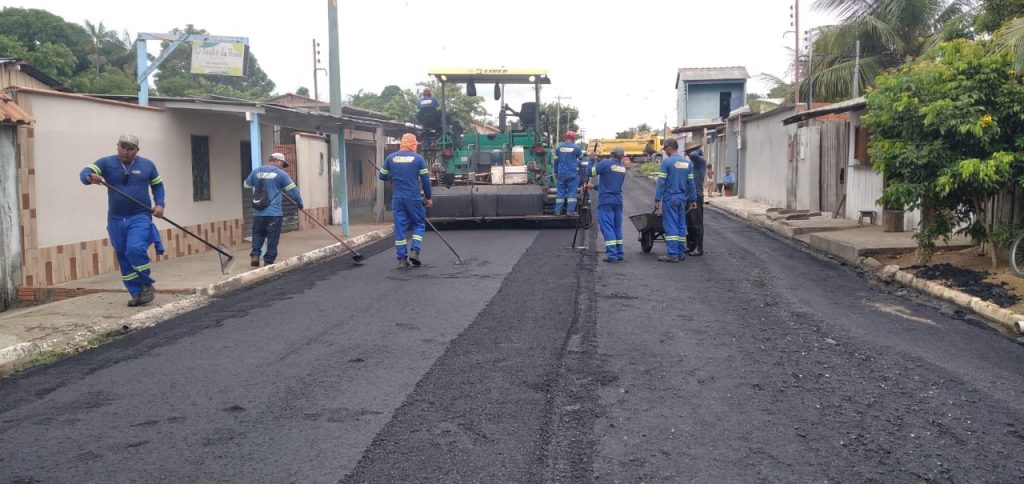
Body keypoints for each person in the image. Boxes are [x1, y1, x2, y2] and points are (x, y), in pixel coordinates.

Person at [80, 133, 166, 307]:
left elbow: (157, 185)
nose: (125, 152)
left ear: (137, 150)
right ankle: (136, 293)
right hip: (116, 219)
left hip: (140, 215)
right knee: (123, 254)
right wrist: (90, 178)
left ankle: (145, 283)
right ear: (117, 146)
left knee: (134, 248)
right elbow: (85, 172)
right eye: (122, 147)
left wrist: (160, 204)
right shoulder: (106, 163)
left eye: (130, 149)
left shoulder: (147, 165)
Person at [379, 133, 433, 268]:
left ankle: (402, 259)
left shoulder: (390, 158)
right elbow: (426, 181)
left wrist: (391, 178)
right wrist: (428, 197)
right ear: (413, 145)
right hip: (414, 198)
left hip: (398, 199)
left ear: (401, 144)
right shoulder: (418, 159)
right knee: (419, 224)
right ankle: (414, 251)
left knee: (400, 229)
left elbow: (382, 175)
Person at [243, 152, 304, 268]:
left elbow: (246, 184)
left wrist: (260, 183)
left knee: (258, 233)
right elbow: (293, 191)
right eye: (282, 164)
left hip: (258, 213)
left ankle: (255, 255)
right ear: (279, 161)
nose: (282, 167)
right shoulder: (281, 175)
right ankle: (268, 261)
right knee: (272, 237)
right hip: (274, 214)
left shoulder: (257, 171)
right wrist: (299, 203)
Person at [654, 138, 697, 263]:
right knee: (680, 225)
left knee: (671, 225)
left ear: (669, 147)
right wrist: (693, 199)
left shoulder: (666, 163)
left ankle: (672, 254)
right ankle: (680, 252)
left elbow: (661, 183)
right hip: (682, 199)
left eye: (665, 148)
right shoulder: (687, 163)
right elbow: (691, 183)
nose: (665, 151)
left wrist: (657, 199)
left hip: (670, 198)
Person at [591, 147, 628, 262]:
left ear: (611, 154)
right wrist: (594, 187)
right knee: (617, 227)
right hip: (617, 201)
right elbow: (611, 184)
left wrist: (592, 159)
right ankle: (619, 252)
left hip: (606, 201)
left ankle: (612, 255)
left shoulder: (605, 163)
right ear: (621, 156)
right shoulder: (622, 168)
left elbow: (590, 172)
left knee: (607, 227)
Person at [684, 140, 707, 256]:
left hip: (696, 196)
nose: (688, 154)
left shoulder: (700, 162)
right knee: (689, 223)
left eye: (688, 152)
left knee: (696, 223)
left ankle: (699, 248)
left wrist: (695, 151)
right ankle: (690, 246)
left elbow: (693, 155)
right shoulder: (691, 164)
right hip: (688, 197)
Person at [554, 131, 582, 215]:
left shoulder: (559, 148)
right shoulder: (576, 148)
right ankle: (570, 211)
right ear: (573, 138)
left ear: (565, 137)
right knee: (572, 193)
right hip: (572, 174)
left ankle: (558, 211)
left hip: (561, 174)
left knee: (560, 193)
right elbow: (580, 159)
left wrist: (556, 172)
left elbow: (555, 162)